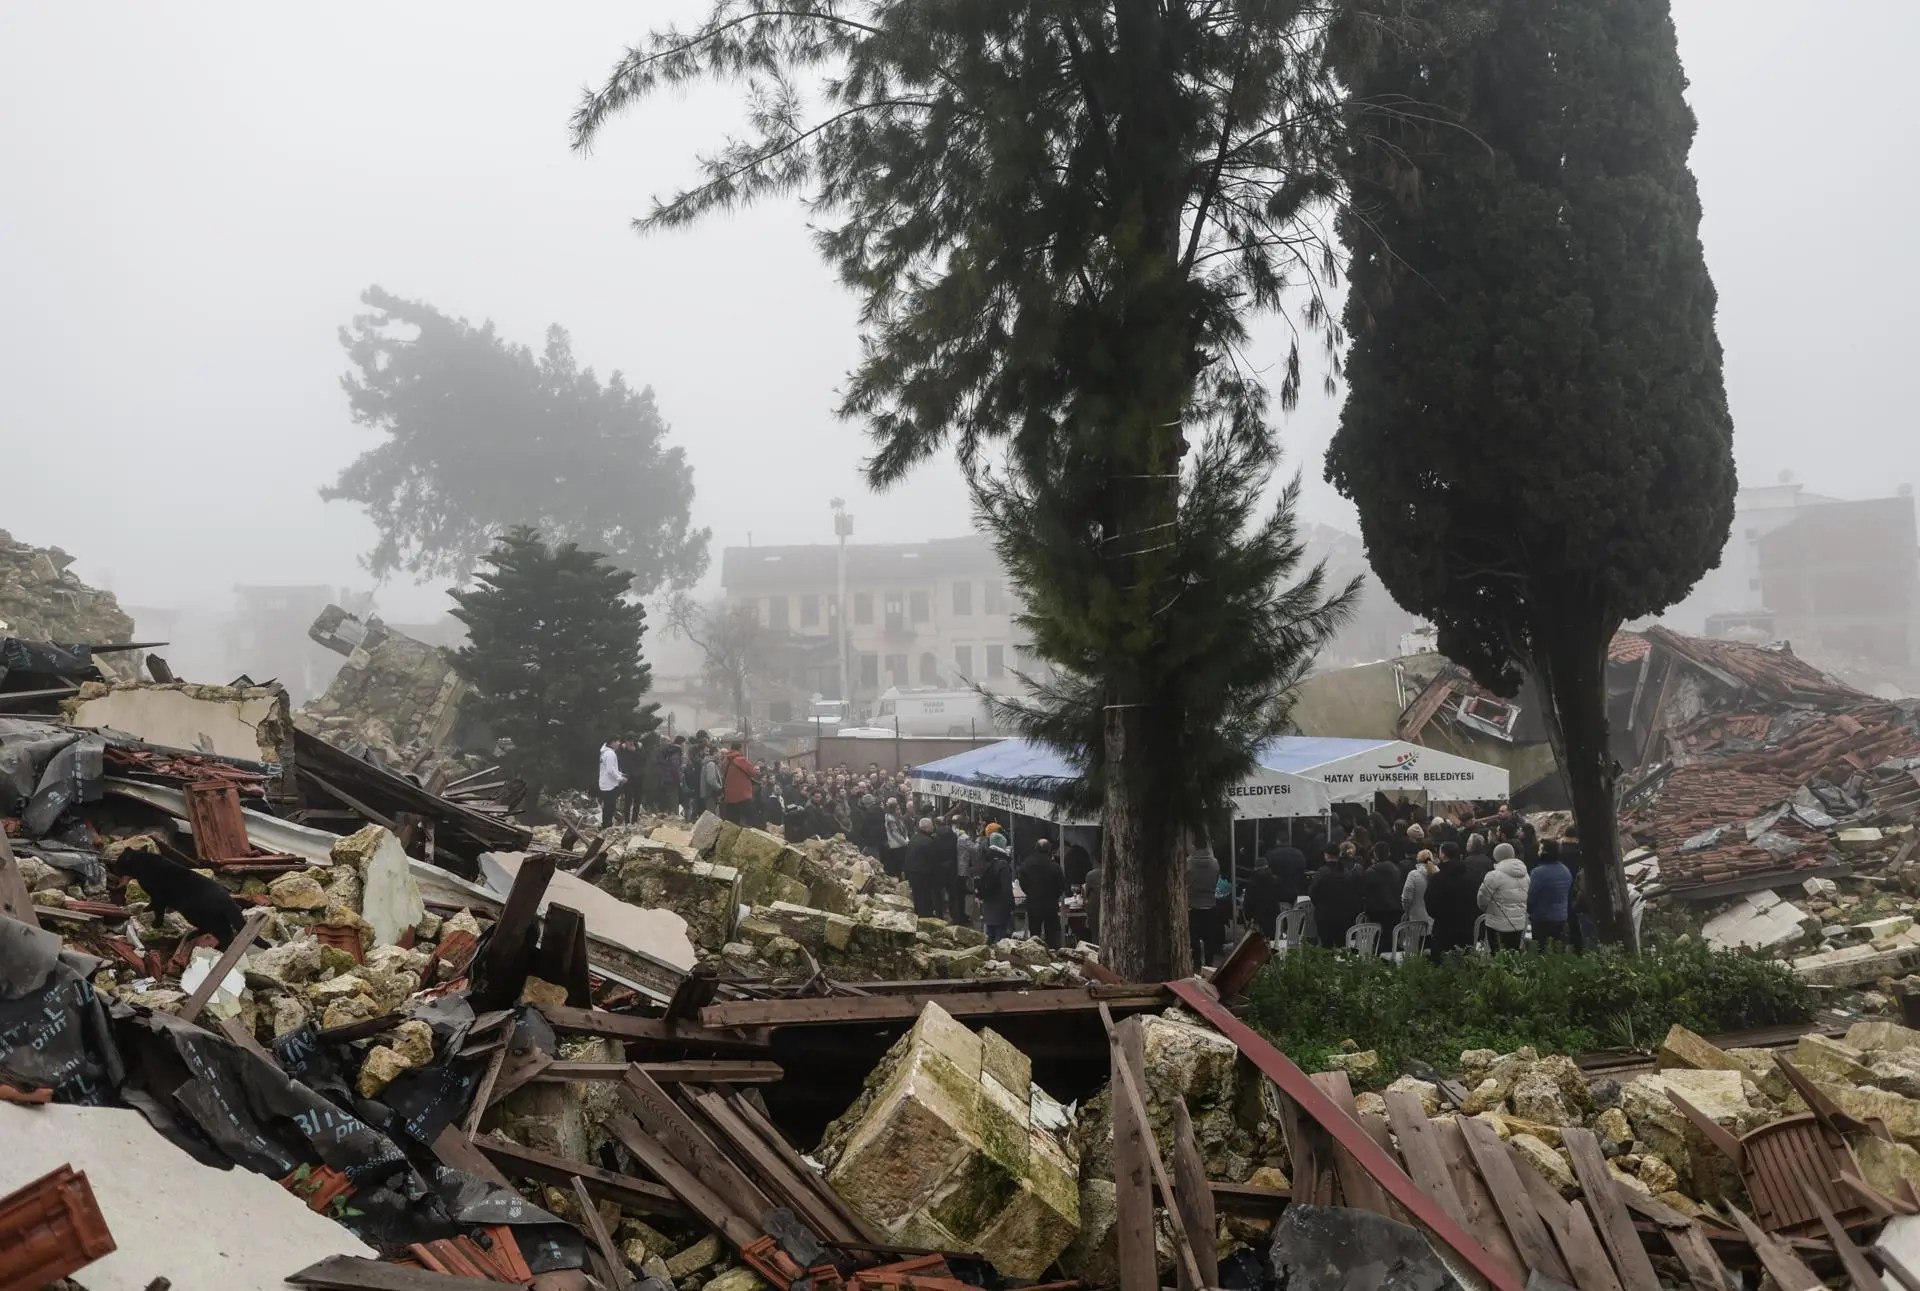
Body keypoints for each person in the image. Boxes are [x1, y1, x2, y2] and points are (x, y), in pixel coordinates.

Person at [1424, 842, 1477, 956]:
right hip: (1466, 927)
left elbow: (1430, 904)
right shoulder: (1471, 876)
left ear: (1442, 855)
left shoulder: (1437, 878)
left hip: (1443, 929)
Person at [1477, 842, 1530, 950]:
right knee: (1513, 953)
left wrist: (1485, 909)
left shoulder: (1493, 875)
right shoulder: (1525, 875)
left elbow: (1482, 899)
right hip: (1519, 923)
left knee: (1497, 956)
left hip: (1496, 924)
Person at [1308, 847, 1363, 949]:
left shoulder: (1322, 872)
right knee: (1341, 946)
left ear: (1326, 855)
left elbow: (1312, 892)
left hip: (1325, 915)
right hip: (1344, 915)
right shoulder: (1346, 872)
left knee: (1326, 947)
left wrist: (1320, 905)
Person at [1018, 839, 1066, 948]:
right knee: (1051, 934)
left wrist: (1030, 892)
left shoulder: (1027, 864)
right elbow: (1061, 885)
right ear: (1049, 850)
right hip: (1050, 904)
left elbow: (1022, 882)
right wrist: (1054, 896)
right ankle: (1052, 956)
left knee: (1035, 933)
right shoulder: (1055, 867)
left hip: (1033, 903)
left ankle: (1035, 956)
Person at [1528, 842, 1574, 947]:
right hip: (1561, 916)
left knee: (1542, 950)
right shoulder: (1565, 870)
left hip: (1542, 918)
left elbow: (1531, 896)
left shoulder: (1538, 873)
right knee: (1558, 951)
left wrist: (1529, 910)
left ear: (1545, 852)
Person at [976, 829, 1016, 944]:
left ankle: (988, 956)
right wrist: (1011, 905)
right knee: (1001, 937)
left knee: (990, 933)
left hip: (988, 902)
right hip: (1000, 904)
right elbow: (1006, 888)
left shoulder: (984, 859)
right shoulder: (1002, 864)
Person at [1186, 841, 1221, 966]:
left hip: (1192, 904)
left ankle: (1196, 964)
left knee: (1193, 937)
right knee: (1209, 937)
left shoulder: (1188, 863)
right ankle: (1209, 963)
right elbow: (1216, 879)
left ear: (1194, 846)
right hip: (1210, 903)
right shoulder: (1215, 863)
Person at [904, 818, 945, 917]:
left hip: (912, 873)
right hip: (924, 875)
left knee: (917, 898)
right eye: (931, 826)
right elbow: (934, 860)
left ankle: (918, 916)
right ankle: (926, 918)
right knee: (925, 900)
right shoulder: (928, 842)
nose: (933, 827)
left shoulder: (913, 838)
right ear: (926, 828)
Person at [1361, 842, 1403, 933]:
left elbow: (1363, 891)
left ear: (1375, 854)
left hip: (1377, 912)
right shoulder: (1396, 869)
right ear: (1388, 853)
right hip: (1395, 910)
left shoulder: (1371, 871)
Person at [1241, 854, 1284, 941]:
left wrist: (1248, 917)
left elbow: (1247, 905)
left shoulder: (1252, 884)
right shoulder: (1275, 881)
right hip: (1274, 917)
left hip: (1259, 920)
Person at [720, 742, 758, 825]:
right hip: (743, 795)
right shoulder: (741, 759)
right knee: (752, 820)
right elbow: (752, 772)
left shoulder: (725, 761)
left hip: (729, 797)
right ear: (740, 749)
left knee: (732, 823)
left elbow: (722, 772)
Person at [1263, 840, 1308, 908]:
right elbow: (1302, 871)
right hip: (1296, 891)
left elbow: (1266, 873)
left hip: (1277, 892)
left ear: (1278, 840)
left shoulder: (1271, 854)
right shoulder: (1299, 853)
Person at [950, 815, 976, 927]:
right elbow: (974, 850)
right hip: (963, 869)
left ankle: (957, 915)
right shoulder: (965, 837)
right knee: (963, 894)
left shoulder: (954, 835)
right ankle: (962, 916)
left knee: (957, 894)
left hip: (954, 868)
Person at [596, 736, 626, 828]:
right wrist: (620, 778)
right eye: (618, 742)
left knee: (609, 806)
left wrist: (620, 774)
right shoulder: (609, 754)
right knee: (609, 807)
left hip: (605, 783)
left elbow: (612, 768)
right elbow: (610, 770)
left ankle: (606, 825)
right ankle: (606, 826)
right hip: (609, 784)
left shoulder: (605, 752)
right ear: (612, 742)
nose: (619, 744)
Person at [1402, 848, 1436, 925]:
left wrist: (1407, 911)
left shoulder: (1413, 875)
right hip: (1433, 921)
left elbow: (1406, 898)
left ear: (1417, 859)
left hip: (1416, 920)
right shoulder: (1438, 874)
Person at [882, 799, 910, 877]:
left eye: (899, 809)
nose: (899, 810)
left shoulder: (899, 818)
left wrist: (906, 839)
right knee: (898, 867)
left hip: (902, 844)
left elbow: (904, 830)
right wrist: (905, 842)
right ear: (892, 810)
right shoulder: (890, 820)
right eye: (897, 809)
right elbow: (895, 834)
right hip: (896, 846)